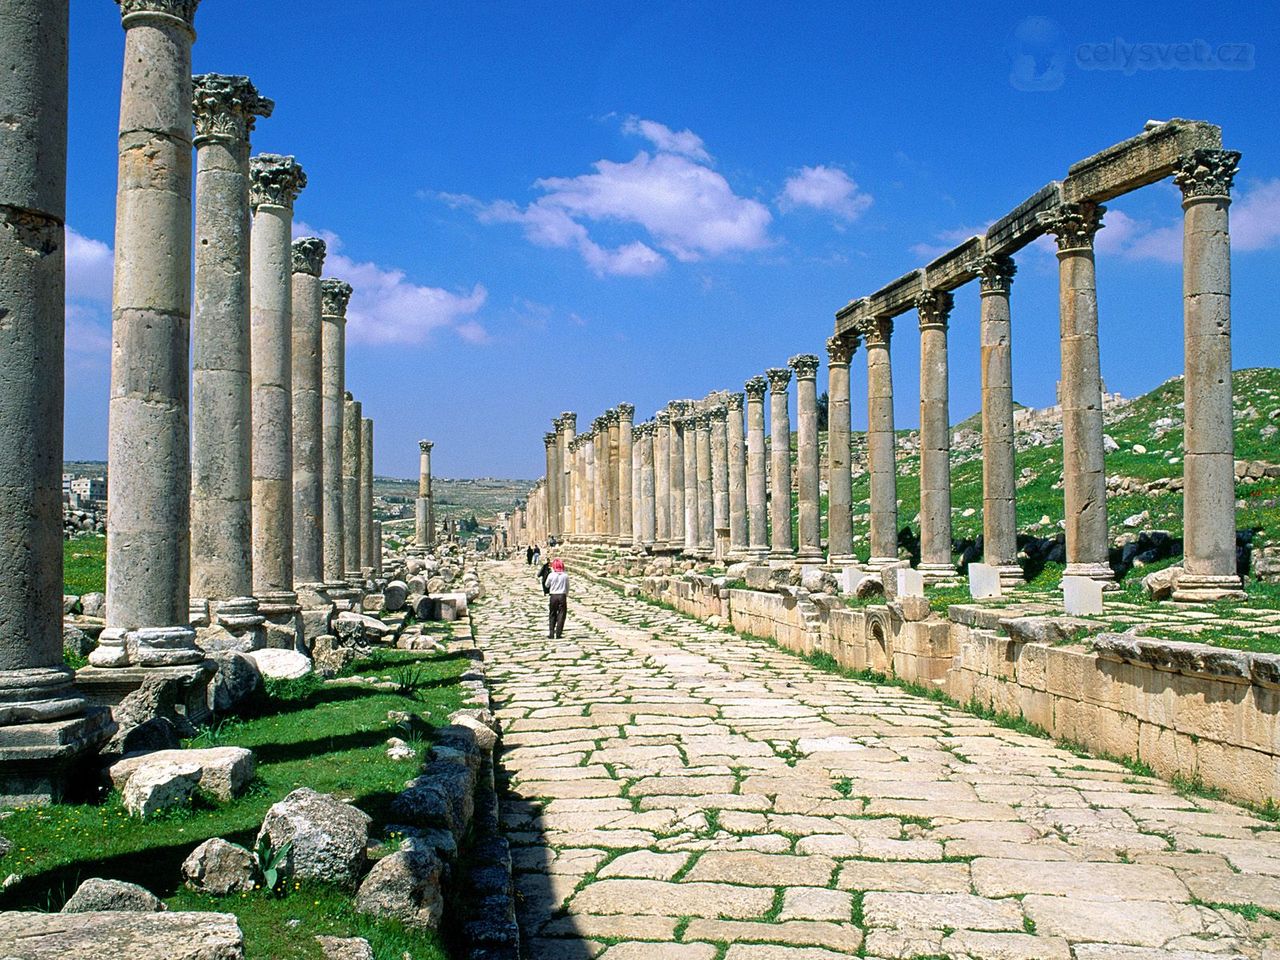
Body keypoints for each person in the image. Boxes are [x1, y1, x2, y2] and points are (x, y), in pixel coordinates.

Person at [546, 558, 569, 639]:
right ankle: (558, 633)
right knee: (562, 614)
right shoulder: (565, 576)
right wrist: (566, 594)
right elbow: (567, 587)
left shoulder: (551, 575)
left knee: (552, 614)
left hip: (553, 596)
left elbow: (547, 585)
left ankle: (551, 633)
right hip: (562, 596)